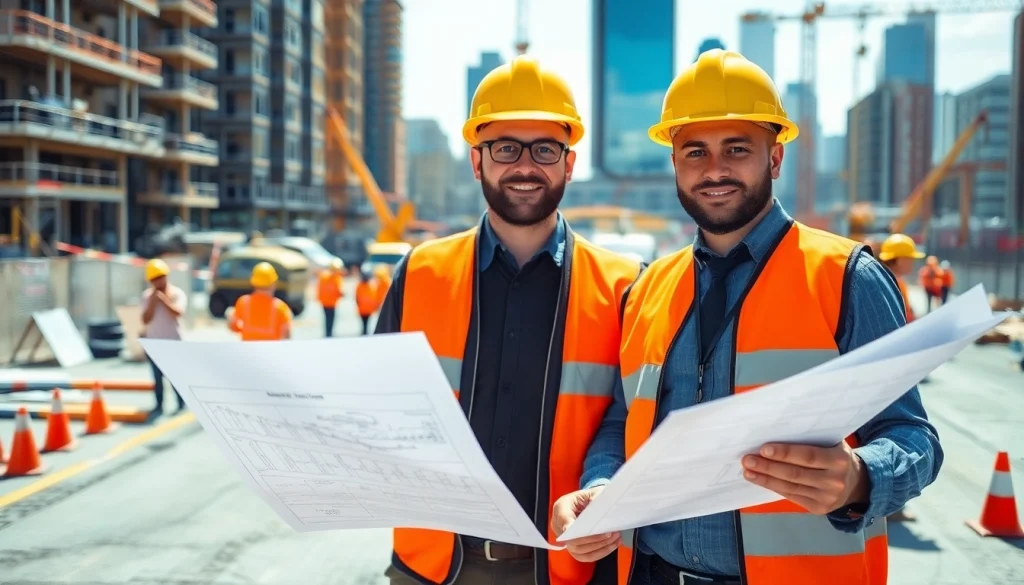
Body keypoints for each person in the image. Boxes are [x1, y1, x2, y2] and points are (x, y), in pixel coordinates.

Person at [552, 49, 943, 585]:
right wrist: (600, 487)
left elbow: (913, 436)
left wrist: (859, 478)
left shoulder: (846, 277)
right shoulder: (648, 288)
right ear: (674, 162)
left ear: (775, 158)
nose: (714, 169)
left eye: (737, 149)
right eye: (695, 152)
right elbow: (624, 423)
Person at [373, 55, 642, 585]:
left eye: (545, 149)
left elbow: (630, 416)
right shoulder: (421, 272)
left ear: (569, 163)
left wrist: (603, 487)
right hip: (432, 568)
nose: (524, 166)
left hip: (563, 567)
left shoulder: (625, 286)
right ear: (477, 162)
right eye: (505, 148)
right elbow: (376, 403)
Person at [141, 258, 187, 416]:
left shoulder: (177, 293)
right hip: (154, 343)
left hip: (173, 343)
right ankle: (159, 405)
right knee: (157, 379)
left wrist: (164, 300)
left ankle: (181, 403)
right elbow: (145, 319)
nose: (158, 282)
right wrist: (154, 302)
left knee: (175, 377)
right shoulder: (147, 297)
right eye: (154, 280)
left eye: (160, 278)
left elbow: (178, 312)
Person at [229, 262, 293, 341]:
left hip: (248, 351)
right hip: (271, 351)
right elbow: (286, 335)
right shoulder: (281, 307)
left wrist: (244, 330)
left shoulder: (243, 302)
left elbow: (232, 325)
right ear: (273, 283)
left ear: (253, 282)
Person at [877, 233, 925, 322]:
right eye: (909, 258)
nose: (912, 262)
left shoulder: (887, 279)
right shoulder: (892, 283)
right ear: (896, 259)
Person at [318, 258, 345, 337]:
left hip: (325, 302)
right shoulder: (336, 278)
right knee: (330, 320)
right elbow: (338, 291)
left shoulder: (324, 276)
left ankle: (328, 333)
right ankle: (329, 334)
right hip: (331, 303)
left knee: (327, 319)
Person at [354, 269, 378, 335]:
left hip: (366, 309)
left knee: (365, 324)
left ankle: (364, 333)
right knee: (365, 324)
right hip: (365, 309)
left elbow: (357, 298)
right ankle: (365, 333)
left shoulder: (365, 285)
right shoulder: (368, 285)